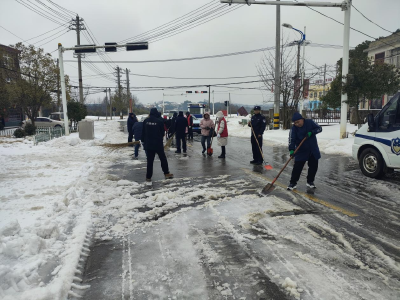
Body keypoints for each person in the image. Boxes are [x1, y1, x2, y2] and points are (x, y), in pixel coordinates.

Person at [287, 112, 322, 191]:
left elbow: (319, 128)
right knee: (297, 167)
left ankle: (310, 181)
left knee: (313, 166)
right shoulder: (294, 129)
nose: (297, 124)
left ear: (302, 119)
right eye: (295, 123)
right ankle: (293, 183)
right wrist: (291, 150)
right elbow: (291, 140)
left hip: (312, 148)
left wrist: (312, 132)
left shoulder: (310, 122)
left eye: (298, 122)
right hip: (301, 150)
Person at [141, 108, 173, 182]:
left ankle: (148, 176)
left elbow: (143, 133)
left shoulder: (145, 121)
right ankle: (166, 173)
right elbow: (162, 133)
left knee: (150, 161)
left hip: (148, 144)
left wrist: (143, 142)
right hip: (158, 144)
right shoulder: (159, 121)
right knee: (163, 159)